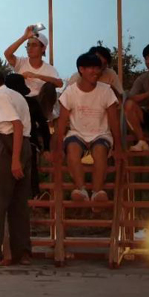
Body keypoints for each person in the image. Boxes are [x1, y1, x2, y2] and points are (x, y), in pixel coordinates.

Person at [53, 53, 123, 204]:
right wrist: (59, 147)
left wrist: (118, 147)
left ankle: (97, 192)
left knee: (100, 150)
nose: (95, 71)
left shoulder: (106, 90)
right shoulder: (70, 92)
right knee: (72, 148)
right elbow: (62, 121)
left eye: (97, 68)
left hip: (101, 134)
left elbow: (114, 120)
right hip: (77, 133)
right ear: (81, 69)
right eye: (91, 68)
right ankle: (81, 190)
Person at [0, 69, 32, 266]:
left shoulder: (1, 96)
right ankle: (22, 252)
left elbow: (16, 125)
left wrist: (15, 159)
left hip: (8, 144)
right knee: (19, 203)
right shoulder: (16, 95)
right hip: (24, 144)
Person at [5, 73, 50, 198]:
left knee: (24, 161)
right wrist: (46, 147)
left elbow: (43, 125)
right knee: (30, 164)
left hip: (10, 141)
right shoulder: (31, 102)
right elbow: (44, 125)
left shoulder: (3, 103)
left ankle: (13, 195)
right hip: (26, 141)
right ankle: (35, 193)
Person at [4, 26, 62, 120]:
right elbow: (7, 54)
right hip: (23, 100)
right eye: (28, 45)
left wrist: (37, 76)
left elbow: (60, 83)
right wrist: (24, 37)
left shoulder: (49, 69)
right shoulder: (21, 62)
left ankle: (44, 118)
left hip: (40, 103)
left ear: (43, 48)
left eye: (34, 45)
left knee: (50, 87)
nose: (30, 48)